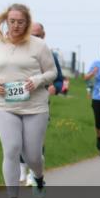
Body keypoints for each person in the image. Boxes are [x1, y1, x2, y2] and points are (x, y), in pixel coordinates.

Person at [0, 4, 58, 198]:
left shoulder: (38, 45)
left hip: (35, 106)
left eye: (20, 22)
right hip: (4, 105)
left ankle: (38, 178)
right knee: (11, 149)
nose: (16, 25)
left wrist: (37, 79)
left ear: (27, 23)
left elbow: (52, 73)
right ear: (6, 21)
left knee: (32, 156)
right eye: (12, 21)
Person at [19, 22, 63, 186]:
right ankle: (22, 170)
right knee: (19, 138)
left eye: (38, 35)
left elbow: (58, 81)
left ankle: (33, 173)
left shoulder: (50, 55)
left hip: (40, 104)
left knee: (36, 140)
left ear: (43, 36)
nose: (34, 38)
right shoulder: (18, 53)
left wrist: (54, 88)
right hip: (18, 102)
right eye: (31, 35)